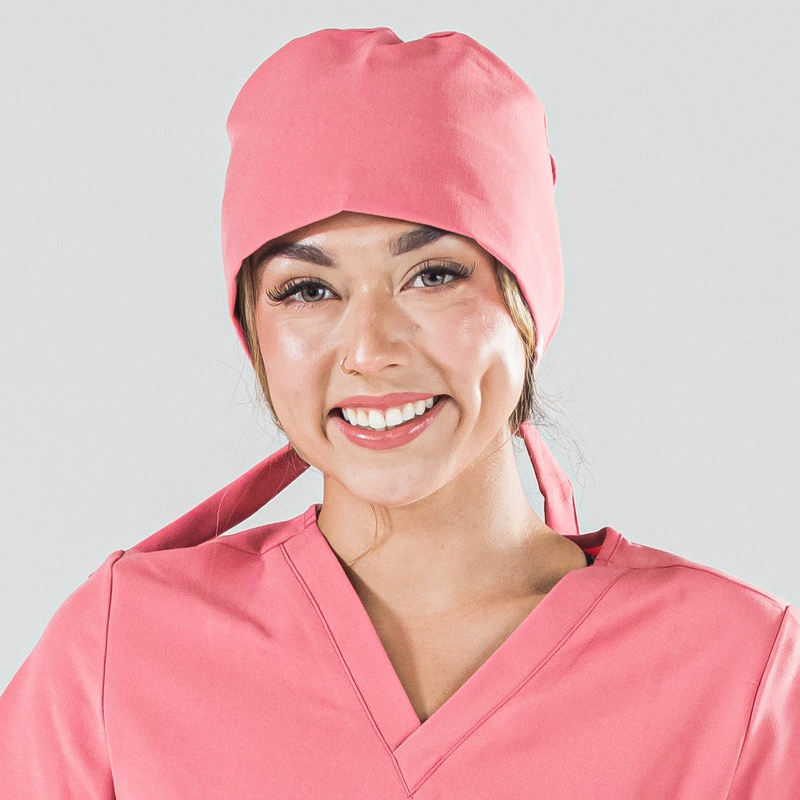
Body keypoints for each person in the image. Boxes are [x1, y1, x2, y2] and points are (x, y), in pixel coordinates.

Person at [1, 26, 798, 799]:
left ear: (529, 306)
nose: (370, 349)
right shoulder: (120, 653)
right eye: (307, 290)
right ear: (254, 331)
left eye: (433, 276)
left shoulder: (739, 673)